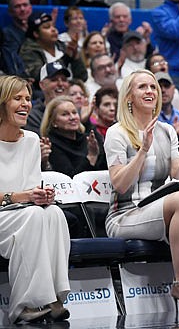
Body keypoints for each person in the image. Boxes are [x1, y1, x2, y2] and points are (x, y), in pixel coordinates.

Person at [104, 70, 179, 312]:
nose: (150, 92)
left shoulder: (166, 131)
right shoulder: (116, 133)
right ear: (129, 97)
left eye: (153, 87)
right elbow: (120, 185)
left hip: (159, 208)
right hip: (125, 215)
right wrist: (142, 150)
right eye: (142, 87)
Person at [0, 75, 71, 324]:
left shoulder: (31, 140)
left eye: (28, 99)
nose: (25, 104)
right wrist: (24, 197)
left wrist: (42, 195)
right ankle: (22, 305)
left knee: (53, 213)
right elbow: (22, 196)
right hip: (7, 215)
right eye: (17, 98)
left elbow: (32, 189)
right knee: (33, 216)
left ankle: (53, 297)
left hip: (22, 213)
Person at [40, 95, 106, 177]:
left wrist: (86, 121)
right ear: (54, 122)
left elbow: (104, 166)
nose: (72, 117)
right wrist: (91, 157)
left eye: (74, 113)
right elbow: (71, 179)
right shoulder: (51, 145)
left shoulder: (86, 138)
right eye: (65, 114)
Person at [19, 12, 87, 87]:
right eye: (47, 27)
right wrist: (66, 57)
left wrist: (75, 56)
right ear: (36, 34)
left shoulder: (62, 46)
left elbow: (82, 77)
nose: (53, 30)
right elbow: (39, 76)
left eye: (53, 26)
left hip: (70, 90)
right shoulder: (29, 51)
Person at [24, 61, 71, 135]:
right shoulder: (33, 117)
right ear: (42, 85)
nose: (60, 84)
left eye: (64, 79)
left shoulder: (77, 112)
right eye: (54, 80)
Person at [1, 0, 32, 77]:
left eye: (25, 5)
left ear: (30, 8)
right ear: (10, 11)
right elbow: (11, 60)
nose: (22, 9)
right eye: (17, 6)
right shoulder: (7, 33)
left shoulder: (38, 30)